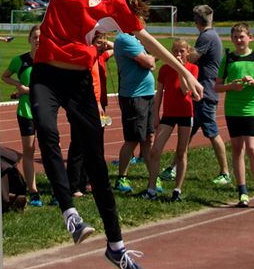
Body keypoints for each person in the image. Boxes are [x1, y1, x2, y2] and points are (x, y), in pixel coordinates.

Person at [0, 0, 202, 269]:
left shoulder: (112, 1)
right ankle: (69, 213)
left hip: (79, 84)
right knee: (47, 135)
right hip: (46, 75)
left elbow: (145, 36)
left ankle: (117, 246)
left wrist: (183, 69)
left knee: (95, 160)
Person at [160, 5, 230, 185]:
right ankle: (174, 167)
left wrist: (176, 54)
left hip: (203, 91)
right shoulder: (211, 34)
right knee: (188, 132)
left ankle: (225, 171)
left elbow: (191, 59)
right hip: (203, 90)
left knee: (212, 131)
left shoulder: (206, 36)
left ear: (196, 21)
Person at [215, 23, 254, 210]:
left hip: (252, 109)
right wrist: (231, 86)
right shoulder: (228, 59)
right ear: (231, 39)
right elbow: (217, 86)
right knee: (237, 149)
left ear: (250, 37)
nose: (239, 40)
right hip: (233, 109)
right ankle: (242, 192)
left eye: (242, 36)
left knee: (252, 148)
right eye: (235, 37)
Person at [143, 39, 198, 202]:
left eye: (181, 51)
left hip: (186, 114)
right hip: (169, 114)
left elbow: (185, 90)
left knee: (181, 152)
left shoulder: (193, 69)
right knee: (155, 151)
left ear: (188, 52)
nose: (178, 54)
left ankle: (177, 189)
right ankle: (151, 189)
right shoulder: (165, 69)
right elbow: (159, 93)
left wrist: (181, 70)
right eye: (175, 51)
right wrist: (156, 114)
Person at [67, 33, 114, 198]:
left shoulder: (101, 58)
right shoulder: (85, 58)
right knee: (79, 145)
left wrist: (103, 42)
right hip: (84, 106)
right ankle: (74, 185)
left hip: (96, 107)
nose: (102, 45)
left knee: (94, 145)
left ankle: (87, 181)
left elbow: (115, 48)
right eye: (98, 42)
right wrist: (97, 103)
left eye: (103, 42)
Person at [2, 24, 43, 207]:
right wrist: (19, 86)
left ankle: (58, 189)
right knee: (29, 150)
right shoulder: (20, 60)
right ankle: (33, 190)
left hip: (45, 110)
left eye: (41, 37)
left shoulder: (49, 60)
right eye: (34, 37)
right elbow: (5, 76)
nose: (37, 40)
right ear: (29, 39)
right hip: (26, 111)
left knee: (51, 150)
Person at [114, 25, 157, 195]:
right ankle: (122, 177)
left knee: (148, 137)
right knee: (133, 139)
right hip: (134, 96)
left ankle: (153, 175)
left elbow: (150, 58)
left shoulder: (136, 39)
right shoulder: (125, 38)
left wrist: (150, 58)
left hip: (146, 95)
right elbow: (149, 61)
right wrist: (151, 59)